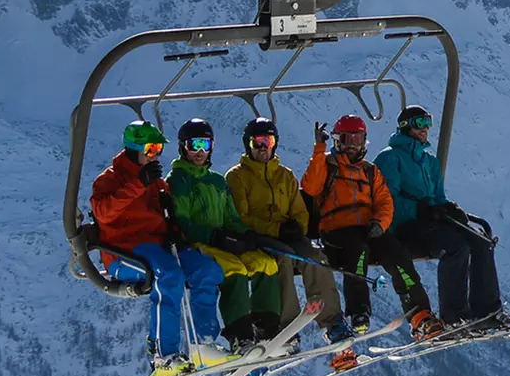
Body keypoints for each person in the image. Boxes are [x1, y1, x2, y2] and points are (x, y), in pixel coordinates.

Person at [90, 120, 227, 376]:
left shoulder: (154, 180)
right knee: (168, 277)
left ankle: (205, 344)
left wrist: (176, 230)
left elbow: (166, 215)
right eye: (151, 149)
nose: (156, 155)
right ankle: (164, 356)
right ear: (133, 148)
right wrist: (138, 184)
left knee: (206, 270)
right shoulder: (110, 180)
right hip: (124, 252)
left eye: (158, 150)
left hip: (159, 247)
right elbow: (103, 212)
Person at [301, 113, 443, 359]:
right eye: (347, 139)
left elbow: (385, 201)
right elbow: (311, 187)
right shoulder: (327, 165)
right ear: (337, 140)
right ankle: (358, 312)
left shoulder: (370, 171)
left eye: (357, 139)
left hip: (367, 228)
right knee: (357, 252)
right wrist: (319, 149)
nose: (352, 144)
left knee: (396, 253)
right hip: (337, 230)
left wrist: (381, 223)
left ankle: (419, 313)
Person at [376, 104, 506, 330]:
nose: (425, 128)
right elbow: (389, 202)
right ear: (406, 127)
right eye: (419, 123)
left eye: (428, 123)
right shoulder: (390, 159)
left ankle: (488, 312)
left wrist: (447, 209)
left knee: (481, 243)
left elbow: (436, 197)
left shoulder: (429, 162)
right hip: (404, 226)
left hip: (429, 222)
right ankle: (454, 316)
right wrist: (423, 211)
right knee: (455, 247)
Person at [224, 116, 348, 347]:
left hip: (288, 235)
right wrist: (275, 229)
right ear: (247, 145)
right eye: (257, 143)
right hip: (259, 238)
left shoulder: (285, 175)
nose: (262, 148)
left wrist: (296, 227)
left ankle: (332, 321)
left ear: (275, 144)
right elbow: (240, 216)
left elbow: (299, 211)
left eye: (267, 142)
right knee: (282, 260)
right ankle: (287, 326)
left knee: (315, 258)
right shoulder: (237, 177)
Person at [166, 118, 282, 352]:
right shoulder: (178, 180)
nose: (199, 152)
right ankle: (241, 336)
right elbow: (182, 222)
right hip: (198, 244)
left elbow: (232, 217)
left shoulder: (217, 181)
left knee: (265, 263)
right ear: (183, 147)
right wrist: (215, 236)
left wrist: (248, 235)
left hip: (223, 241)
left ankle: (267, 329)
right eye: (194, 145)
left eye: (205, 145)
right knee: (234, 270)